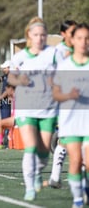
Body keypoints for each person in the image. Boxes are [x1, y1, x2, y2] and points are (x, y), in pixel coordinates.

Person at [8, 16, 58, 201]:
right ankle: (29, 187)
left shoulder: (54, 53)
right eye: (36, 34)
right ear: (29, 35)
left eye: (43, 35)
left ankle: (37, 172)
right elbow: (11, 78)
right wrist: (18, 80)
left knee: (44, 153)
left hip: (48, 108)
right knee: (31, 147)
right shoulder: (20, 57)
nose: (40, 38)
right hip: (26, 108)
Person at [52, 23, 89, 208]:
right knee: (75, 161)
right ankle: (78, 200)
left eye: (87, 38)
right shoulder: (64, 65)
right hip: (71, 122)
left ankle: (85, 188)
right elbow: (56, 94)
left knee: (88, 162)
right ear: (72, 40)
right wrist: (69, 95)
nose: (84, 42)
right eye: (80, 38)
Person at [46, 20, 77, 189]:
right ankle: (56, 175)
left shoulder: (81, 49)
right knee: (66, 139)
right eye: (71, 32)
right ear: (63, 34)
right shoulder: (58, 52)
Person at [0, 83, 16, 150]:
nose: (6, 91)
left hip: (18, 118)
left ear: (11, 89)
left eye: (6, 89)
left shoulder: (17, 95)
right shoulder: (13, 96)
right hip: (17, 117)